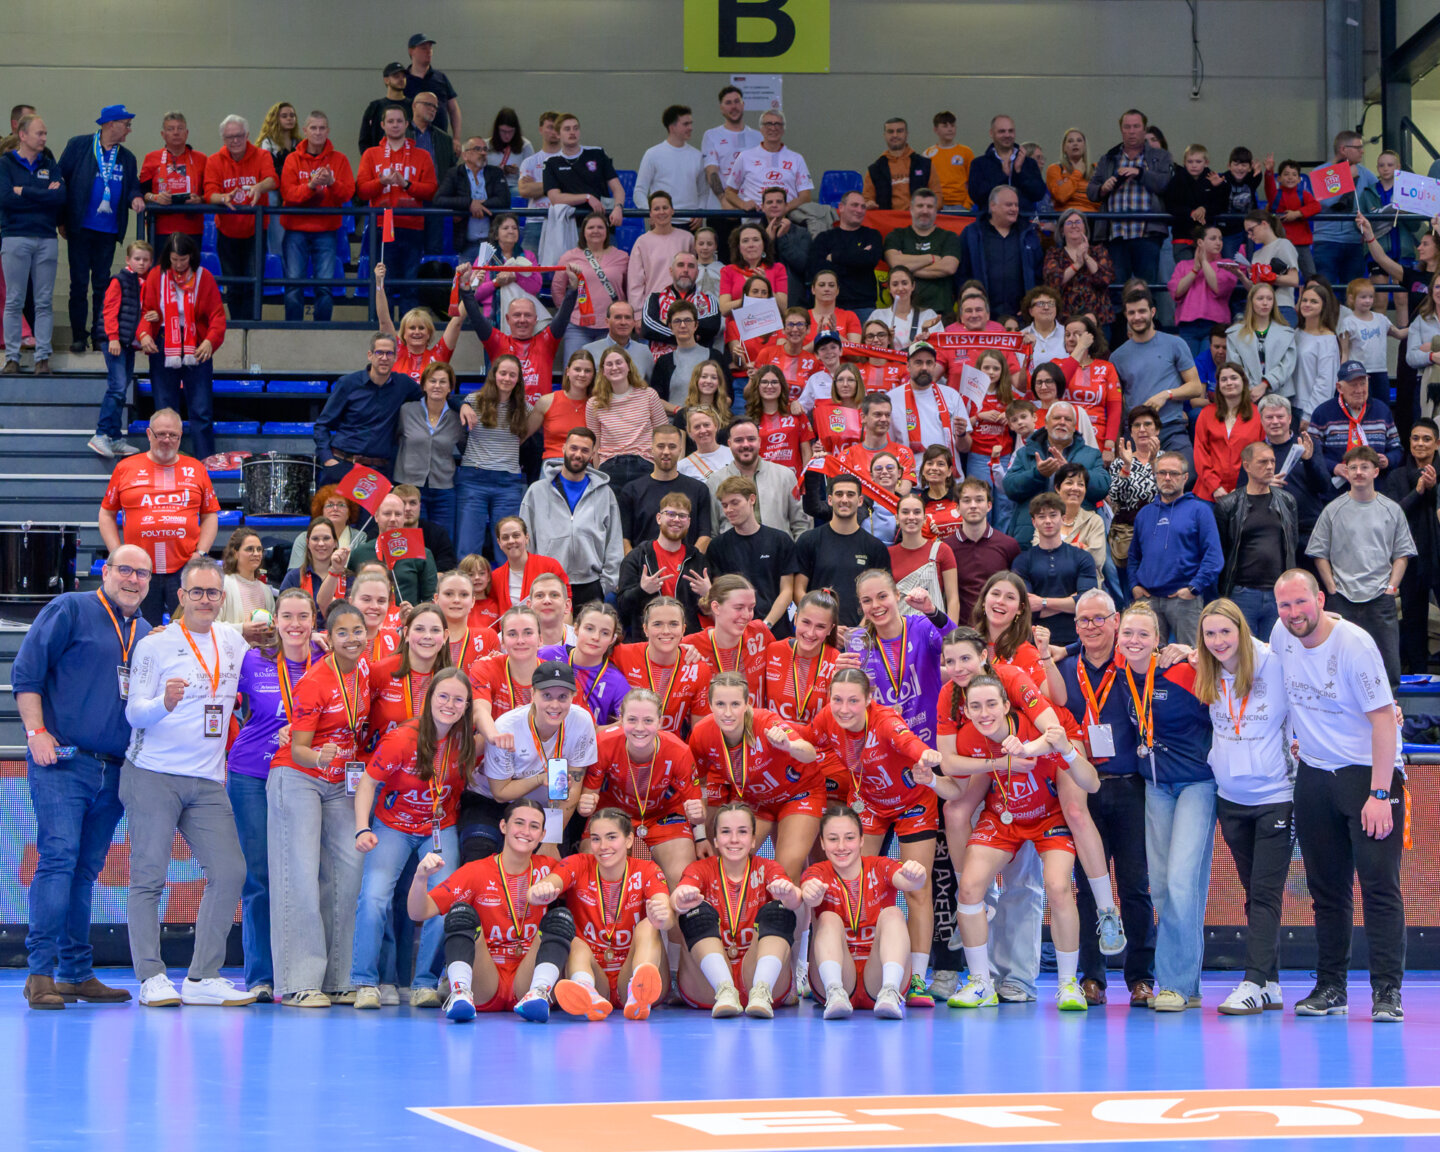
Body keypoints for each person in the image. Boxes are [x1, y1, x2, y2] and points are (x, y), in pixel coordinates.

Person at [13, 546, 152, 1009]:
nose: (133, 579)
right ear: (106, 572)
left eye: (143, 573)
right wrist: (36, 733)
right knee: (58, 858)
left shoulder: (148, 633)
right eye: (125, 569)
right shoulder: (70, 608)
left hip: (114, 769)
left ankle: (75, 972)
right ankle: (39, 974)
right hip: (63, 761)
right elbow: (27, 674)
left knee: (86, 871)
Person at [1271, 569, 1406, 1022]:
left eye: (1300, 603)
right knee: (1326, 892)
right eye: (1284, 605)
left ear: (1321, 599)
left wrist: (1380, 793)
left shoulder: (1355, 645)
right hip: (1314, 776)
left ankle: (1388, 992)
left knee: (1378, 887)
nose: (1293, 614)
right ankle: (1331, 988)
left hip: (1368, 776)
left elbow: (1385, 721)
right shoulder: (1280, 634)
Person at [121, 556, 252, 1007]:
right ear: (180, 596)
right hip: (153, 774)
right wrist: (164, 703)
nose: (204, 600)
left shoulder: (232, 641)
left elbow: (275, 638)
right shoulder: (155, 645)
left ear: (222, 597)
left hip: (208, 781)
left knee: (231, 871)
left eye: (212, 592)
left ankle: (202, 978)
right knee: (148, 877)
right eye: (195, 592)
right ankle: (151, 976)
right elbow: (133, 711)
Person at [926, 675, 1099, 1012]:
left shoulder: (1040, 731)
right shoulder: (970, 738)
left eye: (991, 704)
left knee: (1058, 887)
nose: (984, 712)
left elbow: (1091, 784)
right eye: (975, 706)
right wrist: (931, 778)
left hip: (1048, 819)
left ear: (1007, 705)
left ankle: (1067, 985)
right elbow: (961, 794)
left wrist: (1066, 749)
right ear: (966, 710)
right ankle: (980, 983)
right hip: (1003, 819)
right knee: (970, 888)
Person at [801, 669, 944, 1007]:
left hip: (912, 803)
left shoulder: (885, 720)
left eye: (853, 700)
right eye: (838, 699)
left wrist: (925, 754)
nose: (844, 708)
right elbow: (807, 739)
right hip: (870, 804)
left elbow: (908, 741)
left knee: (917, 888)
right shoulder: (827, 718)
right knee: (851, 877)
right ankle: (840, 972)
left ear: (869, 700)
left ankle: (918, 979)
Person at [264, 599, 372, 1006]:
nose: (351, 639)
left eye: (357, 632)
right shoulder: (314, 681)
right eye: (341, 633)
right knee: (300, 877)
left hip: (340, 782)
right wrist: (320, 758)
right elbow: (298, 748)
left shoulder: (364, 672)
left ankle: (340, 977)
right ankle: (298, 982)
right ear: (328, 636)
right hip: (298, 775)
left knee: (349, 874)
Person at [1054, 591, 1155, 1006]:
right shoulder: (1062, 668)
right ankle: (1092, 977)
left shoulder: (1137, 663)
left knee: (1135, 887)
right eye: (1083, 621)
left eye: (1099, 619)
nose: (1091, 627)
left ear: (1116, 622)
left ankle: (1141, 977)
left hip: (1132, 787)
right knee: (1085, 889)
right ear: (1075, 626)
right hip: (1082, 794)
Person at [352, 668, 474, 1009]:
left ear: (467, 706)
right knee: (374, 896)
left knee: (444, 897)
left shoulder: (465, 742)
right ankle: (364, 982)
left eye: (458, 699)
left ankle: (424, 983)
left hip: (438, 827)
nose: (449, 704)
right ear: (429, 699)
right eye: (443, 696)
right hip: (393, 825)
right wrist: (363, 828)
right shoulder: (402, 739)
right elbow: (367, 784)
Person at [1114, 602, 1215, 1012]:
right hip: (1156, 787)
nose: (1134, 641)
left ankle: (1172, 983)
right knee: (1163, 889)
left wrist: (1193, 650)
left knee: (1180, 882)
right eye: (1128, 634)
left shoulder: (1185, 670)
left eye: (1143, 634)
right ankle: (1188, 986)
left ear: (1159, 640)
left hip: (1197, 784)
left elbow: (1226, 701)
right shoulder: (1119, 676)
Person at [1193, 599, 1292, 1015]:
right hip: (1231, 800)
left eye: (1225, 632)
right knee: (1253, 894)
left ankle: (1252, 982)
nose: (1218, 642)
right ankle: (1270, 982)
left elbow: (1308, 634)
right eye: (1209, 634)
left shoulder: (1275, 662)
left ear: (1242, 631)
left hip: (1275, 798)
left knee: (1266, 895)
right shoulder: (1206, 670)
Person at [412, 798, 565, 1022]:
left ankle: (539, 992)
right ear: (503, 827)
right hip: (486, 979)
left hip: (526, 978)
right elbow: (418, 912)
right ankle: (460, 992)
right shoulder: (476, 871)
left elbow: (586, 871)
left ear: (542, 835)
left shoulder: (550, 869)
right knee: (460, 914)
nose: (526, 831)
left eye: (534, 826)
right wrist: (420, 877)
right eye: (519, 823)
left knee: (560, 919)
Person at [529, 808, 671, 1022]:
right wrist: (541, 890)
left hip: (629, 969)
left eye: (611, 837)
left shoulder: (647, 868)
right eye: (596, 839)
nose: (603, 847)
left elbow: (666, 915)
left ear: (629, 840)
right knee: (574, 940)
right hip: (595, 973)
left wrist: (661, 914)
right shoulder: (578, 863)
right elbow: (544, 886)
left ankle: (639, 991)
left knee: (649, 925)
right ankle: (586, 990)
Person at [670, 802, 802, 1018]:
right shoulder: (700, 869)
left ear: (752, 840)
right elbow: (676, 899)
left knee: (779, 910)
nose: (733, 839)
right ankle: (725, 989)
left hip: (755, 975)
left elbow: (796, 900)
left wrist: (790, 894)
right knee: (695, 910)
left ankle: (762, 990)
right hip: (707, 988)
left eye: (742, 832)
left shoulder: (769, 868)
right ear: (714, 840)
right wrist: (681, 897)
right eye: (725, 832)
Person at [800, 804, 924, 1020]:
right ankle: (834, 992)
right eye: (832, 839)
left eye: (849, 838)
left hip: (878, 975)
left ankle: (890, 991)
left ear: (861, 840)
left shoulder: (880, 865)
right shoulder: (817, 872)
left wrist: (917, 876)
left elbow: (907, 882)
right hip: (837, 977)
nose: (841, 846)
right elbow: (811, 893)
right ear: (821, 842)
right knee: (828, 917)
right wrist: (810, 894)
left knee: (894, 913)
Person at [99, 408, 219, 624]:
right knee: (139, 632)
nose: (167, 440)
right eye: (161, 434)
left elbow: (210, 515)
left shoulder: (196, 469)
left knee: (188, 632)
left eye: (173, 435)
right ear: (148, 434)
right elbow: (107, 514)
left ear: (180, 437)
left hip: (184, 568)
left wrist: (200, 553)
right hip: (139, 571)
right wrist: (118, 554)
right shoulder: (125, 468)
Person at [1307, 445, 1414, 687]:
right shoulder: (1332, 510)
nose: (1358, 472)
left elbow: (1402, 554)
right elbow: (1318, 553)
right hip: (1342, 597)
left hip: (1380, 598)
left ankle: (1392, 719)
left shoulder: (1392, 510)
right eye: (1353, 467)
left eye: (1364, 467)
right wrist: (1332, 588)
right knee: (1339, 664)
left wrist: (1391, 587)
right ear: (1346, 471)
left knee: (1387, 666)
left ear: (1376, 472)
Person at [315, 332, 456, 487]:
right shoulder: (348, 383)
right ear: (370, 355)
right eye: (379, 352)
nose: (384, 358)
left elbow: (435, 394)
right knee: (335, 512)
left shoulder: (403, 385)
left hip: (378, 472)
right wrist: (328, 459)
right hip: (343, 465)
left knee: (376, 513)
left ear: (395, 357)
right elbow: (322, 425)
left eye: (389, 353)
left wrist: (462, 406)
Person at [59, 105, 144, 352]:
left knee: (102, 286)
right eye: (126, 124)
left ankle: (99, 335)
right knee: (78, 284)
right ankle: (78, 335)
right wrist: (61, 219)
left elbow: (132, 187)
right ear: (110, 124)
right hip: (80, 228)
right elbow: (61, 181)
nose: (129, 130)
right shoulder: (79, 145)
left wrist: (135, 197)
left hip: (107, 231)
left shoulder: (127, 157)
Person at [135, 233, 225, 462]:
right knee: (165, 409)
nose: (178, 265)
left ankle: (205, 463)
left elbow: (217, 316)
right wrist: (144, 334)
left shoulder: (204, 278)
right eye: (174, 259)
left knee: (201, 410)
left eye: (183, 260)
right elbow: (147, 312)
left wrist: (210, 341)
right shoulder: (157, 276)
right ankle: (165, 460)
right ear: (168, 257)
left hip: (197, 343)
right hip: (165, 342)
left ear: (191, 257)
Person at [518, 428, 623, 606]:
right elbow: (526, 542)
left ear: (592, 454)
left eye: (584, 450)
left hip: (592, 584)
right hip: (549, 584)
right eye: (573, 448)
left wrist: (605, 585)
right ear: (564, 448)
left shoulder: (605, 493)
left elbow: (614, 543)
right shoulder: (537, 491)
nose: (578, 454)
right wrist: (535, 580)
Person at [1129, 452, 1222, 643]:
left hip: (1184, 600)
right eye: (1162, 473)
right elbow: (1133, 557)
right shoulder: (1145, 514)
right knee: (1148, 661)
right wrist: (1134, 586)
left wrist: (1194, 588)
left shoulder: (1200, 511)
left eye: (1174, 473)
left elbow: (1214, 557)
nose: (1167, 478)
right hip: (1148, 601)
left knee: (1192, 660)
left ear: (1185, 477)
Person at [357, 106, 438, 320]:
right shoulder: (371, 154)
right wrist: (380, 182)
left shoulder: (422, 156)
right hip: (382, 227)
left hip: (412, 226)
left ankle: (408, 332)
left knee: (410, 283)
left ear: (407, 124)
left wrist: (407, 184)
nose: (395, 125)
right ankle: (383, 328)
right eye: (390, 121)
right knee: (384, 282)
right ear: (382, 125)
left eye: (399, 121)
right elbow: (362, 190)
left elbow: (431, 190)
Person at [452, 354, 534, 561]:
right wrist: (461, 405)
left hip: (508, 483)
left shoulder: (525, 409)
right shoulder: (473, 401)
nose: (507, 378)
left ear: (518, 380)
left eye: (512, 375)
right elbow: (450, 401)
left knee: (510, 546)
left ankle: (508, 592)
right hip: (473, 479)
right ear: (494, 375)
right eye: (503, 373)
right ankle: (466, 592)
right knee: (468, 546)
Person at [0, 113, 63, 375]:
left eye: (45, 133)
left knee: (43, 301)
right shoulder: (5, 165)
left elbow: (60, 198)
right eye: (40, 133)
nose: (44, 138)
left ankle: (42, 358)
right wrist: (42, 194)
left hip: (47, 238)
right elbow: (4, 198)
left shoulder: (50, 163)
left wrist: (23, 191)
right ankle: (12, 357)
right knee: (14, 299)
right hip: (15, 237)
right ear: (22, 135)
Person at [1086, 110, 1173, 297]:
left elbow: (1165, 184)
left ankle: (1147, 323)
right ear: (1121, 130)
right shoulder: (1108, 158)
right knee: (1117, 290)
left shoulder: (1161, 156)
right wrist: (1103, 188)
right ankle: (1120, 326)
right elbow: (1091, 191)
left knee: (1147, 289)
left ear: (1144, 129)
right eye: (1127, 127)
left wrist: (1139, 173)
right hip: (1116, 234)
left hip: (1148, 233)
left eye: (1136, 126)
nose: (1131, 131)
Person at [278, 111, 354, 324]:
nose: (318, 132)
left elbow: (348, 193)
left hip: (326, 231)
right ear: (305, 131)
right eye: (313, 128)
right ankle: (292, 330)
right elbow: (288, 194)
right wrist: (310, 186)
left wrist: (331, 182)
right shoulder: (292, 159)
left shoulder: (340, 159)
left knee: (324, 286)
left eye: (322, 128)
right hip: (295, 230)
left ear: (328, 131)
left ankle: (322, 330)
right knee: (293, 284)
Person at [1216, 441, 1297, 639]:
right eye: (1263, 462)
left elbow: (1291, 544)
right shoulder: (1228, 505)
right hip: (1242, 592)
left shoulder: (1287, 501)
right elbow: (1222, 551)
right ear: (1246, 466)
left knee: (1279, 652)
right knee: (1245, 657)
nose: (1270, 467)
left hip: (1278, 592)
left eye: (1272, 461)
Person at [1109, 289, 1204, 454]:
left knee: (1187, 473)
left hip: (1170, 428)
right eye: (1132, 312)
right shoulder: (1117, 356)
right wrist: (1116, 443)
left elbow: (1195, 387)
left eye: (1142, 311)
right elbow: (1116, 404)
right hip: (1136, 431)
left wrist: (1166, 394)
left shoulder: (1175, 344)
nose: (1137, 317)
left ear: (1152, 312)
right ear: (1125, 315)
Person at [201, 114, 276, 322]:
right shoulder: (214, 160)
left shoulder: (262, 156)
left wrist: (259, 187)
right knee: (233, 285)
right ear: (223, 139)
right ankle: (237, 325)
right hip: (227, 231)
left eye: (239, 136)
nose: (235, 140)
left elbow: (272, 180)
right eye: (229, 137)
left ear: (247, 135)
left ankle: (252, 328)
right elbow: (209, 193)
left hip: (255, 231)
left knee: (254, 283)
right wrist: (223, 197)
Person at [1001, 400, 1110, 542]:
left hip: (1079, 534)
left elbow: (1103, 487)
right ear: (1046, 424)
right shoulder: (1025, 453)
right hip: (1030, 532)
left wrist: (1071, 472)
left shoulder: (1091, 454)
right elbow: (1009, 487)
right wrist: (1037, 474)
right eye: (1057, 418)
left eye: (1068, 419)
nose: (1062, 422)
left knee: (1107, 564)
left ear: (1074, 427)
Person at [704, 476, 798, 636]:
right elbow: (720, 593)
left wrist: (766, 625)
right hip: (736, 632)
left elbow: (787, 591)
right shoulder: (717, 546)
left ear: (751, 499)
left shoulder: (780, 540)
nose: (729, 510)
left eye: (735, 503)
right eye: (725, 505)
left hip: (775, 629)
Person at [792, 475, 891, 627]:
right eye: (839, 494)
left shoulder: (875, 547)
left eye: (850, 495)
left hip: (862, 635)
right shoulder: (809, 540)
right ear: (830, 500)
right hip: (818, 634)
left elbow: (883, 596)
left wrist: (858, 632)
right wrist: (824, 627)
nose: (844, 499)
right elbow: (798, 591)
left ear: (860, 501)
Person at [612, 596, 715, 735]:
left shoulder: (697, 667)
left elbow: (700, 732)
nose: (666, 631)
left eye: (673, 624)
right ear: (645, 629)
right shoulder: (621, 654)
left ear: (683, 629)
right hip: (626, 744)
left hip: (671, 751)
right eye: (657, 624)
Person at [1384, 418, 1440, 674]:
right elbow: (1392, 516)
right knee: (1413, 621)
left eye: (1426, 439)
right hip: (1411, 559)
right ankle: (1419, 677)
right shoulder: (1396, 476)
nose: (1420, 443)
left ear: (1437, 443)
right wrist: (1418, 491)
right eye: (1416, 438)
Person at [88, 239, 152, 455]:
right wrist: (112, 337)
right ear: (128, 260)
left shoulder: (143, 283)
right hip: (113, 341)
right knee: (116, 387)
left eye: (145, 260)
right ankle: (101, 434)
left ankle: (115, 437)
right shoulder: (120, 280)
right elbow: (109, 310)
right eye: (137, 259)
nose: (141, 263)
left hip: (127, 343)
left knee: (122, 390)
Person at [617, 493, 710, 640]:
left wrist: (709, 594)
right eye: (671, 514)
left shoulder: (698, 560)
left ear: (689, 522)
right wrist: (642, 591)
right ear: (659, 518)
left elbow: (711, 611)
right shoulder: (637, 557)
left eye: (682, 516)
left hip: (688, 643)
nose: (677, 520)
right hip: (647, 643)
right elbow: (622, 607)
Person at [1012, 493, 1097, 647]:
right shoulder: (1022, 561)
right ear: (1034, 522)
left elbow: (1087, 603)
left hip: (1076, 641)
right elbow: (1026, 607)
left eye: (1053, 515)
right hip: (1035, 641)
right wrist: (1071, 603)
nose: (1048, 521)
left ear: (1063, 518)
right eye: (1042, 516)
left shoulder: (1082, 557)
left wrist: (1043, 602)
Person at [704, 420, 811, 539]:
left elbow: (801, 524)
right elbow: (712, 531)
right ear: (729, 444)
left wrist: (794, 554)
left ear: (759, 441)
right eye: (738, 440)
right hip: (733, 555)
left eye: (751, 439)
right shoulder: (715, 481)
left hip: (780, 554)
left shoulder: (785, 476)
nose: (745, 445)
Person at [394, 362, 464, 541]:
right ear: (424, 385)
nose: (437, 386)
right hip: (409, 487)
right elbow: (392, 440)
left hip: (444, 490)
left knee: (443, 540)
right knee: (412, 541)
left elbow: (465, 448)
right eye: (432, 381)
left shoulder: (457, 418)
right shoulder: (406, 411)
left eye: (443, 382)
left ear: (450, 387)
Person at [585, 346, 668, 490]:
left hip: (645, 463)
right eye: (609, 364)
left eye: (619, 362)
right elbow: (595, 444)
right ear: (603, 371)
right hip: (611, 465)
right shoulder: (594, 403)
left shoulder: (649, 395)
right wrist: (599, 474)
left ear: (628, 366)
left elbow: (663, 434)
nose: (614, 367)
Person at [620, 425, 713, 550]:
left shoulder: (699, 490)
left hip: (686, 566)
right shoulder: (631, 490)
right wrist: (634, 567)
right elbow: (624, 539)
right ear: (651, 449)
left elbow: (705, 535)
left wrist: (690, 565)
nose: (666, 452)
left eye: (672, 446)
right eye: (660, 446)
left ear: (680, 449)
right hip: (644, 566)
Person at [553, 214, 630, 362]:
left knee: (608, 374)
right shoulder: (569, 256)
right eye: (591, 227)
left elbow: (628, 289)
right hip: (577, 326)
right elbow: (557, 287)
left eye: (600, 227)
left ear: (607, 231)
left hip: (611, 326)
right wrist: (566, 312)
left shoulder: (622, 257)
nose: (596, 231)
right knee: (574, 373)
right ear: (583, 232)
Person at [958, 186, 1041, 319]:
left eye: (1016, 205)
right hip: (982, 317)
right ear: (993, 206)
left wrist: (1031, 305)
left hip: (1020, 316)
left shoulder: (1029, 234)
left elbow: (1038, 274)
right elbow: (962, 275)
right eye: (1009, 205)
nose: (1014, 209)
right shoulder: (972, 233)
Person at [943, 479, 1020, 621]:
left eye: (979, 500)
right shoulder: (946, 548)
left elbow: (1016, 591)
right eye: (966, 500)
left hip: (1000, 630)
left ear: (989, 505)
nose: (973, 506)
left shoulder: (1008, 545)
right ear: (957, 508)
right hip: (962, 632)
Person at [1310, 130, 1377, 289]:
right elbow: (1329, 202)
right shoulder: (1319, 172)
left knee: (1353, 292)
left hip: (1355, 241)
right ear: (1343, 149)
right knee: (1325, 292)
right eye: (1358, 147)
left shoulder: (1365, 173)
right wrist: (1348, 177)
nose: (1363, 151)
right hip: (1327, 240)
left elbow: (1378, 196)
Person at [882, 187, 962, 320]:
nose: (925, 211)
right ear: (911, 209)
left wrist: (906, 267)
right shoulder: (896, 236)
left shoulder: (949, 237)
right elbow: (895, 263)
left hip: (942, 313)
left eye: (930, 206)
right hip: (902, 314)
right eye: (920, 206)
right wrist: (931, 258)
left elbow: (949, 267)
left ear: (936, 210)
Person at [346, 492, 438, 605]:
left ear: (404, 518)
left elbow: (431, 599)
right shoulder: (359, 553)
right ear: (376, 516)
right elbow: (349, 594)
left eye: (398, 514)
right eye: (387, 513)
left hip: (406, 621)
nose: (393, 519)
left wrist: (414, 614)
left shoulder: (422, 553)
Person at [1193, 361, 1264, 500]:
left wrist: (1242, 489)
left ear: (1243, 382)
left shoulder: (1258, 415)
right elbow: (1200, 453)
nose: (1229, 383)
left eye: (1234, 378)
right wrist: (1215, 487)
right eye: (1223, 379)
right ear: (1218, 386)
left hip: (1247, 492)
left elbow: (1261, 454)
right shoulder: (1206, 414)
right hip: (1208, 492)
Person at [806, 191, 883, 318]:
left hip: (864, 307)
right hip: (829, 307)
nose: (859, 210)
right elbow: (815, 270)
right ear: (841, 207)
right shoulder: (824, 238)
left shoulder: (872, 235)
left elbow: (870, 259)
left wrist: (834, 257)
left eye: (863, 207)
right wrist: (858, 258)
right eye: (854, 205)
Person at [723, 110, 813, 216]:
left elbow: (805, 197)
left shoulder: (796, 158)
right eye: (768, 124)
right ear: (761, 129)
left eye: (778, 124)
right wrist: (743, 204)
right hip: (755, 221)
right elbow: (729, 192)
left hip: (787, 220)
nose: (773, 128)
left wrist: (785, 208)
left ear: (783, 129)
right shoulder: (745, 157)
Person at [434, 135, 508, 261]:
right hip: (467, 243)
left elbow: (504, 200)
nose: (483, 153)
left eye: (485, 149)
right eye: (478, 149)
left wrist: (479, 205)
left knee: (494, 280)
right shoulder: (454, 174)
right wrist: (469, 204)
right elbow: (439, 200)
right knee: (467, 280)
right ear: (465, 155)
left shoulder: (495, 173)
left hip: (493, 243)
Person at [1168, 225, 1239, 355]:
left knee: (1210, 367)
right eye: (1213, 238)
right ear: (1200, 242)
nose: (1218, 242)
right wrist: (1195, 269)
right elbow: (1176, 292)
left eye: (1220, 239)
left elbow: (1218, 287)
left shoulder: (1227, 264)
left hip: (1215, 326)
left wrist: (1204, 262)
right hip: (1188, 326)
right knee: (1190, 368)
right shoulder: (1183, 265)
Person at [139, 111, 208, 246]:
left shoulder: (201, 159)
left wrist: (200, 199)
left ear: (186, 133)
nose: (176, 133)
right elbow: (141, 192)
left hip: (193, 228)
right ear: (163, 134)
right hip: (159, 228)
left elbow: (210, 192)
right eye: (170, 129)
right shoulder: (151, 158)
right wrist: (155, 198)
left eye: (180, 128)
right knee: (161, 267)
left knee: (189, 266)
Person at [890, 493, 960, 621]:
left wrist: (950, 636)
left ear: (924, 518)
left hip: (934, 632)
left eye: (916, 512)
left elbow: (953, 600)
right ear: (897, 518)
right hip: (900, 633)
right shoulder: (888, 554)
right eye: (905, 512)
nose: (911, 517)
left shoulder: (942, 550)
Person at [1226, 282, 1297, 405]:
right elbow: (1235, 366)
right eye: (1260, 298)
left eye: (1269, 299)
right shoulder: (1234, 333)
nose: (1265, 303)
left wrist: (1265, 384)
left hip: (1280, 396)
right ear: (1251, 302)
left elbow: (1287, 365)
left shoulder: (1287, 332)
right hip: (1247, 396)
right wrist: (1252, 389)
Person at [626, 192, 695, 315]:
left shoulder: (687, 238)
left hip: (685, 306)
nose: (661, 212)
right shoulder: (642, 242)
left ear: (672, 210)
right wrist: (637, 314)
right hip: (654, 307)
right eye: (656, 209)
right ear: (651, 214)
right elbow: (635, 282)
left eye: (665, 208)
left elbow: (695, 273)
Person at [489, 515, 571, 614]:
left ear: (526, 537)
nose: (511, 541)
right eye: (505, 538)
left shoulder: (550, 566)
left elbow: (566, 607)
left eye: (516, 535)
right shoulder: (495, 578)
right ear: (499, 543)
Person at [968, 114, 1047, 215]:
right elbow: (977, 196)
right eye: (1002, 131)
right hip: (990, 224)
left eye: (1011, 131)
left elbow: (1038, 194)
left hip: (1023, 223)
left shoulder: (1028, 163)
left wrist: (1019, 172)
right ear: (991, 133)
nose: (1007, 135)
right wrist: (1002, 175)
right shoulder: (979, 164)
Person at [653, 302, 728, 407]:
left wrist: (703, 413)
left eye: (688, 320)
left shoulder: (715, 356)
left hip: (709, 419)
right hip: (674, 420)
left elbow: (728, 397)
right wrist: (680, 412)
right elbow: (655, 399)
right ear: (670, 327)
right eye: (677, 321)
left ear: (696, 325)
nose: (683, 325)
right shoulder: (664, 362)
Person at [634, 105, 707, 214]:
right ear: (672, 127)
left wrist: (700, 212)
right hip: (662, 222)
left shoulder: (697, 156)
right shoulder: (652, 154)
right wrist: (652, 213)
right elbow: (639, 191)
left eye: (691, 123)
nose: (690, 128)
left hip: (690, 223)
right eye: (686, 124)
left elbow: (704, 192)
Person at [407, 93, 454, 254]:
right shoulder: (400, 134)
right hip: (407, 199)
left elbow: (450, 171)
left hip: (435, 199)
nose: (433, 109)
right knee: (409, 248)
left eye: (435, 106)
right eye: (428, 104)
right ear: (414, 106)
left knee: (434, 249)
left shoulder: (444, 139)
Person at [286, 485, 368, 573]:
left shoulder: (359, 537)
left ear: (350, 512)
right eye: (330, 505)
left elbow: (361, 573)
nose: (335, 509)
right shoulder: (304, 538)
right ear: (321, 511)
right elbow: (295, 576)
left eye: (341, 505)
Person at [403, 33, 461, 142]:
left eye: (430, 48)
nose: (428, 51)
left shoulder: (441, 78)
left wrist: (456, 138)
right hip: (410, 140)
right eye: (423, 48)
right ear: (411, 51)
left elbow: (453, 109)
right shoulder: (403, 79)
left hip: (439, 140)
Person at [280, 518, 347, 612]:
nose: (321, 543)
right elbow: (283, 613)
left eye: (326, 538)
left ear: (335, 542)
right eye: (315, 539)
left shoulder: (349, 578)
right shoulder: (293, 578)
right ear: (308, 543)